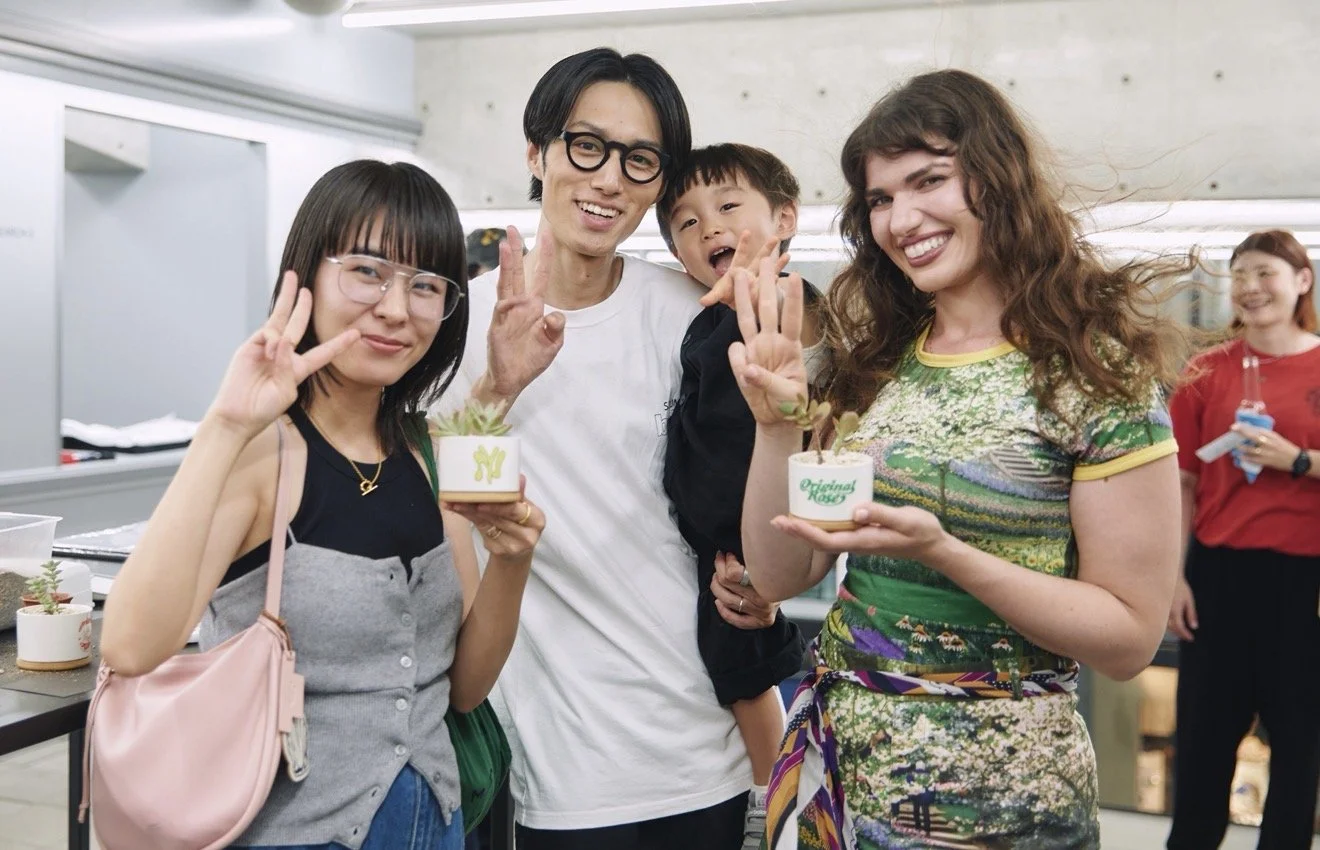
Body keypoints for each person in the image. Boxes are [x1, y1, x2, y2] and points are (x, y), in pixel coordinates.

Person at [730, 69, 1188, 848]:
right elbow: (780, 577)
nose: (901, 218)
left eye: (929, 181)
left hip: (1001, 803)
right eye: (879, 199)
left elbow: (1128, 638)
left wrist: (945, 553)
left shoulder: (1094, 376)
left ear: (997, 178)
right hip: (842, 781)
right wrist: (775, 428)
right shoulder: (876, 363)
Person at [100, 160, 545, 850]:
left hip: (437, 826)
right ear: (307, 274)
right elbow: (129, 645)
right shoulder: (260, 455)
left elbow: (462, 688)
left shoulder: (426, 453)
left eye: (426, 285)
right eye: (367, 271)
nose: (397, 309)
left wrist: (513, 563)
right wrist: (223, 426)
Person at [440, 47, 779, 849]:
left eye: (639, 160)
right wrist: (497, 388)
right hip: (558, 767)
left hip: (703, 749)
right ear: (538, 152)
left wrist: (765, 578)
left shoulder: (691, 316)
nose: (608, 180)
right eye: (586, 146)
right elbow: (436, 505)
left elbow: (740, 490)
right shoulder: (458, 326)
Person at [655, 142, 830, 848]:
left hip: (741, 535)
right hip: (707, 535)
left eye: (729, 207)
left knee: (742, 667)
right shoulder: (700, 316)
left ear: (784, 218)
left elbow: (813, 406)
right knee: (734, 661)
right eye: (686, 223)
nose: (708, 229)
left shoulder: (792, 305)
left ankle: (777, 803)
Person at [1165, 229, 1320, 850]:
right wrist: (1172, 576)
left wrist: (1299, 459)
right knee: (1202, 747)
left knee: (1297, 752)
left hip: (1304, 581)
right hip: (1217, 576)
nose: (1252, 288)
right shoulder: (1206, 371)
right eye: (1241, 275)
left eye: (1267, 273)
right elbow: (1180, 483)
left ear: (1301, 281)